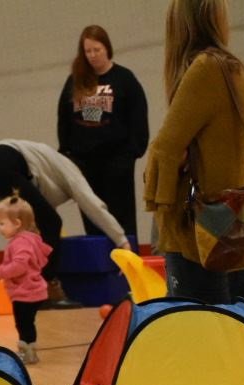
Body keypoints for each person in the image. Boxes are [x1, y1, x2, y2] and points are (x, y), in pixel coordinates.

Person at [145, 0, 244, 304]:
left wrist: (156, 196)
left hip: (196, 231)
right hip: (231, 223)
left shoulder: (206, 68)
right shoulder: (237, 69)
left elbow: (165, 148)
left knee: (195, 328)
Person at [0, 140, 130, 305]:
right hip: (1, 166)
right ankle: (47, 290)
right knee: (53, 223)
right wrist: (122, 240)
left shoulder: (46, 161)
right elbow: (93, 206)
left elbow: (39, 210)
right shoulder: (71, 170)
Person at [58, 25, 149, 250]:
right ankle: (100, 269)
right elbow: (65, 118)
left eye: (96, 50)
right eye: (87, 51)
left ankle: (128, 269)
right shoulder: (76, 80)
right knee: (92, 218)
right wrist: (66, 153)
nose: (92, 56)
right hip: (84, 164)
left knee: (122, 219)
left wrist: (131, 154)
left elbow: (138, 119)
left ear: (107, 48)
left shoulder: (124, 79)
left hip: (117, 162)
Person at [0, 195, 52, 365]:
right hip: (34, 291)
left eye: (2, 223)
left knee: (24, 324)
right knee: (27, 323)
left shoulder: (20, 243)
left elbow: (19, 266)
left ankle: (27, 352)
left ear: (17, 223)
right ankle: (29, 351)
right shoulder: (29, 239)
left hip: (26, 293)